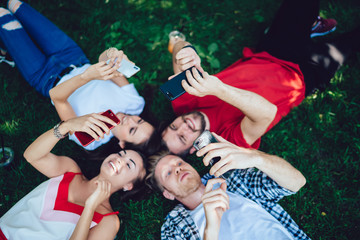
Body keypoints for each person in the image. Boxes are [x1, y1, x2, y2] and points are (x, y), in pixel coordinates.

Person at [161, 0, 359, 156]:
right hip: (304, 77)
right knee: (352, 41)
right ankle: (308, 30)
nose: (182, 126)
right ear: (195, 148)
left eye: (173, 126)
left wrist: (184, 50)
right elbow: (267, 113)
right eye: (182, 138)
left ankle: (310, 26)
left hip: (272, 53)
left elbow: (178, 50)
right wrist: (217, 89)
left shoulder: (182, 101)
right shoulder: (228, 141)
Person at [0, 0, 155, 152]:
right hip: (73, 57)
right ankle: (8, 50)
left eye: (132, 130)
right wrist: (112, 54)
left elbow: (57, 98)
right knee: (15, 5)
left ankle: (7, 51)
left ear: (122, 144)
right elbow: (103, 60)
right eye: (140, 120)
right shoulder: (135, 104)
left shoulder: (91, 139)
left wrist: (87, 76)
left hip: (45, 78)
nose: (131, 120)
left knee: (3, 16)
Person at [0, 114, 147, 240]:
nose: (120, 159)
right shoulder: (70, 169)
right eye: (121, 154)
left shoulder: (108, 221)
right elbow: (31, 156)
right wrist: (66, 126)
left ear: (128, 186)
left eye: (129, 165)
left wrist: (90, 207)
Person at [146, 133, 308, 239]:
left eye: (179, 162)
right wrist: (212, 227)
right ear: (168, 194)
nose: (178, 169)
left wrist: (254, 157)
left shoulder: (234, 178)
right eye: (168, 173)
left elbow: (296, 182)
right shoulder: (174, 227)